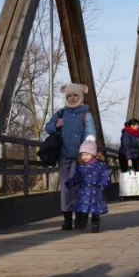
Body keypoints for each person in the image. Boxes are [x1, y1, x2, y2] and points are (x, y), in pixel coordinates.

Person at [45, 83, 96, 230]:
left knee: (76, 186)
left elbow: (90, 133)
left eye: (75, 96)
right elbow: (48, 127)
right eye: (69, 96)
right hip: (63, 156)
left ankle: (80, 216)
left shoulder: (86, 114)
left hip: (79, 158)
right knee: (65, 187)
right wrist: (56, 125)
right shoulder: (61, 113)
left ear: (80, 97)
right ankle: (67, 218)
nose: (72, 98)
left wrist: (88, 150)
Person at [64, 139, 111, 233]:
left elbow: (106, 175)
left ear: (93, 154)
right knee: (83, 208)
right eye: (82, 154)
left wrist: (103, 184)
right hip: (84, 190)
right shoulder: (81, 166)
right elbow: (77, 177)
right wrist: (71, 182)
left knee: (95, 210)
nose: (84, 157)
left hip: (96, 190)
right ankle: (82, 222)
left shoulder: (101, 165)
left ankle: (95, 225)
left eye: (87, 154)